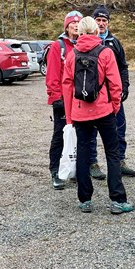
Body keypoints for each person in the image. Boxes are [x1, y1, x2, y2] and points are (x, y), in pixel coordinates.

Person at [62, 16, 132, 214]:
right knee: (112, 153)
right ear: (96, 31)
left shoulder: (71, 55)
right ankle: (117, 200)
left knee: (83, 154)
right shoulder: (106, 52)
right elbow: (115, 85)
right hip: (104, 110)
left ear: (80, 32)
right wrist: (115, 107)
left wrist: (69, 116)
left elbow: (66, 87)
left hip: (80, 112)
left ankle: (85, 200)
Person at [89, 5, 135, 177]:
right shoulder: (86, 41)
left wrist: (124, 87)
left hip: (113, 95)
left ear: (108, 23)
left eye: (104, 20)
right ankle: (92, 163)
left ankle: (120, 161)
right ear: (93, 22)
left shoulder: (114, 42)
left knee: (119, 128)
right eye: (98, 20)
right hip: (93, 96)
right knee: (92, 130)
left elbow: (123, 67)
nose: (101, 24)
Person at [45, 10, 82, 190]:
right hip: (62, 99)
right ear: (66, 27)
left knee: (80, 135)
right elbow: (52, 74)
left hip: (80, 100)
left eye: (78, 23)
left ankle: (75, 168)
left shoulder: (83, 45)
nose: (75, 26)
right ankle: (55, 170)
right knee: (60, 135)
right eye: (72, 23)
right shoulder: (58, 46)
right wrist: (55, 97)